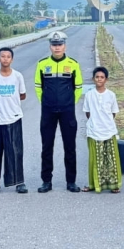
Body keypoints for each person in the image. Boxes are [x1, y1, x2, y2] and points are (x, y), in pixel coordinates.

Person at [35, 30, 83, 193]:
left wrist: (69, 103)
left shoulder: (73, 64)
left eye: (60, 44)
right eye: (54, 45)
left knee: (70, 147)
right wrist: (46, 102)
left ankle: (71, 181)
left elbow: (78, 88)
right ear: (50, 46)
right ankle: (46, 181)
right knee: (46, 147)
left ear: (65, 46)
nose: (57, 48)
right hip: (48, 112)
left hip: (67, 112)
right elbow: (38, 87)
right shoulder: (42, 64)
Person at [0, 47, 27, 194]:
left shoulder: (18, 76)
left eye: (8, 57)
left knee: (15, 151)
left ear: (12, 59)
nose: (5, 59)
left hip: (14, 118)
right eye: (2, 56)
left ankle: (19, 182)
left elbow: (22, 95)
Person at [82, 66, 121, 193]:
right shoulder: (89, 95)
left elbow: (113, 113)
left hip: (109, 131)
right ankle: (94, 184)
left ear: (106, 79)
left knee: (111, 159)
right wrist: (95, 122)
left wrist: (105, 123)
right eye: (97, 77)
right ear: (93, 79)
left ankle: (114, 185)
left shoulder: (111, 95)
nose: (99, 79)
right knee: (95, 159)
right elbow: (87, 113)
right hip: (94, 131)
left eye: (102, 77)